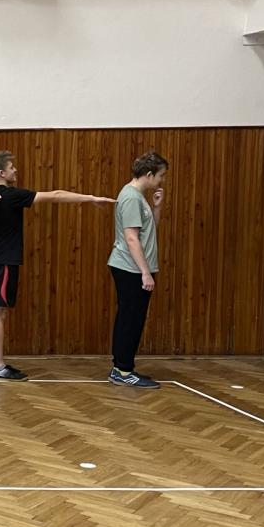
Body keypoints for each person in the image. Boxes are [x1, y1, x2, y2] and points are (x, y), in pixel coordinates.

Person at [0, 151, 114, 380]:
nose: (15, 170)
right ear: (1, 173)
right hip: (3, 261)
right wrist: (90, 198)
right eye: (11, 167)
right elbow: (56, 195)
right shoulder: (11, 195)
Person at [106, 151, 169, 388]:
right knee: (130, 319)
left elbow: (147, 231)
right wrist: (145, 272)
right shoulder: (131, 197)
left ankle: (123, 368)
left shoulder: (138, 197)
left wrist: (157, 208)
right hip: (130, 269)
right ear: (149, 174)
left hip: (136, 268)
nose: (162, 180)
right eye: (161, 175)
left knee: (133, 318)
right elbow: (131, 238)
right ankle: (122, 370)